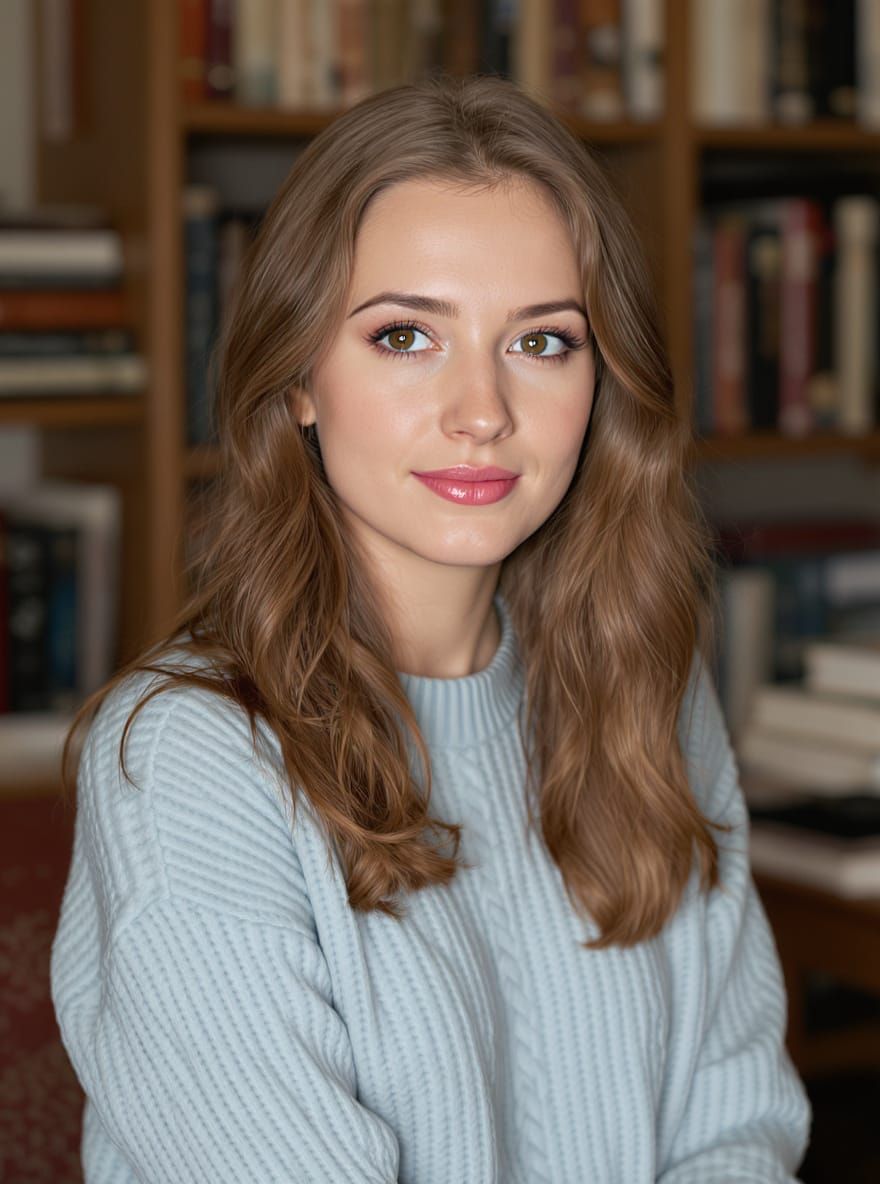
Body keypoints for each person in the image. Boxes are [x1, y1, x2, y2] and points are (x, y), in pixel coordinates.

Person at [50, 73, 812, 1182]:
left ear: (602, 381)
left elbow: (735, 1131)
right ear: (300, 377)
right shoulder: (187, 760)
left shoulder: (649, 685)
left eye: (542, 342)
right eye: (405, 335)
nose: (482, 411)